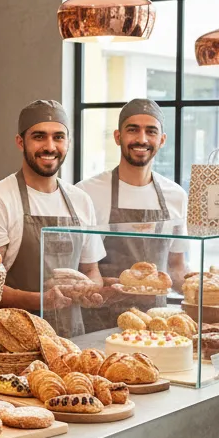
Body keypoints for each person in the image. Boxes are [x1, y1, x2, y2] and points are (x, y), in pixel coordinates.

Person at [0, 100, 103, 338]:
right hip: (12, 339)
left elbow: (91, 269)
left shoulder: (81, 201)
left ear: (68, 142)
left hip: (72, 340)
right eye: (39, 137)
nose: (50, 146)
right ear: (21, 142)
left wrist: (91, 291)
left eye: (58, 137)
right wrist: (42, 300)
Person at [75, 98, 188, 331]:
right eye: (133, 130)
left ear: (162, 140)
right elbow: (78, 267)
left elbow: (175, 264)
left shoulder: (175, 195)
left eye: (151, 131)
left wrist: (196, 288)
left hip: (157, 325)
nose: (142, 139)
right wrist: (100, 286)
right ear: (118, 137)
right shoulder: (87, 192)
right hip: (99, 323)